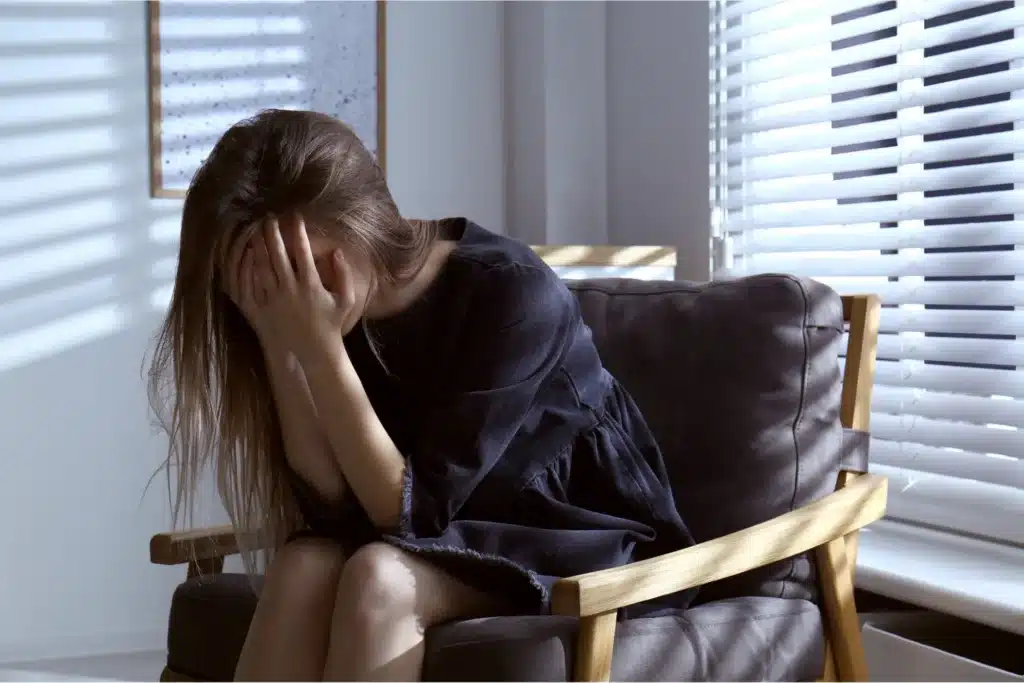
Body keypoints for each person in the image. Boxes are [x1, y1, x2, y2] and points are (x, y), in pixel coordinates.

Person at [148, 109, 697, 682]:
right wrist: (279, 343)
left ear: (361, 228)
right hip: (438, 535)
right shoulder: (303, 317)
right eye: (260, 278)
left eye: (295, 270)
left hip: (575, 539)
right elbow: (331, 507)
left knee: (381, 578)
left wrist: (315, 346)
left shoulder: (510, 293)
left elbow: (405, 510)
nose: (280, 291)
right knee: (303, 565)